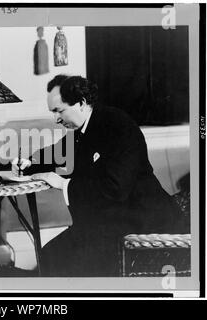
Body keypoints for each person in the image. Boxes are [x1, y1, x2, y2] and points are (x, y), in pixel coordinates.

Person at [12, 74, 188, 277]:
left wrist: (63, 183)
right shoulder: (83, 130)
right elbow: (56, 153)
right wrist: (27, 164)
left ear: (82, 103)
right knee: (50, 255)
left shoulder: (117, 125)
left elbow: (115, 187)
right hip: (112, 223)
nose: (56, 119)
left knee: (61, 259)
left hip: (145, 226)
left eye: (59, 111)